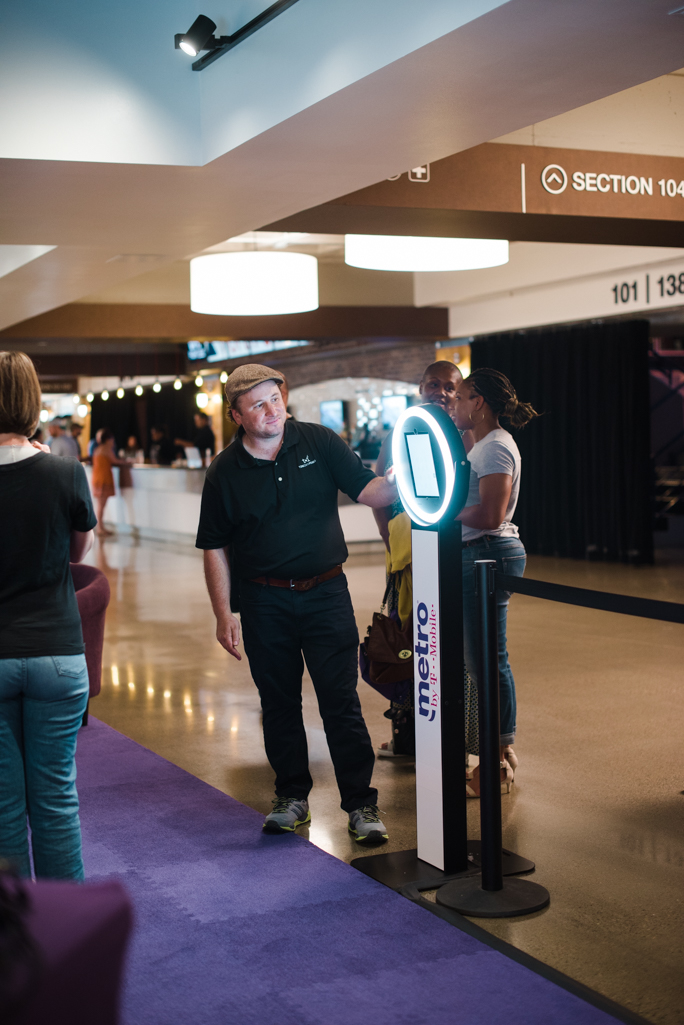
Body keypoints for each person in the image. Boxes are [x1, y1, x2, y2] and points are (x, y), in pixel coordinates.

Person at [196, 364, 398, 843]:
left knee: (340, 702)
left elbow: (370, 491)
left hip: (326, 593)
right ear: (236, 415)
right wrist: (223, 613)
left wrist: (408, 477)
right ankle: (292, 796)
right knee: (280, 704)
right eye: (257, 404)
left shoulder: (319, 442)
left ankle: (361, 805)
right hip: (263, 600)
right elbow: (215, 547)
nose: (271, 410)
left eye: (275, 398)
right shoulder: (225, 470)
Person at [0, 351, 96, 880]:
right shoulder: (64, 473)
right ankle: (65, 940)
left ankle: (14, 942)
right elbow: (75, 555)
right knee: (56, 801)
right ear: (33, 402)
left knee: (3, 808)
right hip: (57, 654)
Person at [370, 360, 479, 761]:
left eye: (450, 387)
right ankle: (408, 735)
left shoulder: (467, 435)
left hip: (452, 553)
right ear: (420, 388)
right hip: (406, 554)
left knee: (452, 642)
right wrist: (387, 532)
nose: (442, 393)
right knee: (410, 640)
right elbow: (378, 484)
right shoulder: (402, 433)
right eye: (434, 385)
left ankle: (456, 740)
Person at [451, 368, 539, 797]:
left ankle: (496, 762)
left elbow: (490, 515)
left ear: (479, 402)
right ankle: (501, 750)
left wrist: (446, 511)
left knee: (485, 662)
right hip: (480, 553)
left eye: (461, 397)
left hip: (486, 554)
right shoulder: (484, 445)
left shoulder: (495, 449)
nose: (454, 404)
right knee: (486, 660)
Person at [91, 428, 127, 536]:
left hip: (97, 479)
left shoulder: (97, 449)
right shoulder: (107, 449)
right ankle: (100, 528)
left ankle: (100, 527)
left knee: (100, 505)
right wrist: (128, 461)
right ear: (108, 440)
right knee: (101, 505)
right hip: (103, 479)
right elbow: (115, 461)